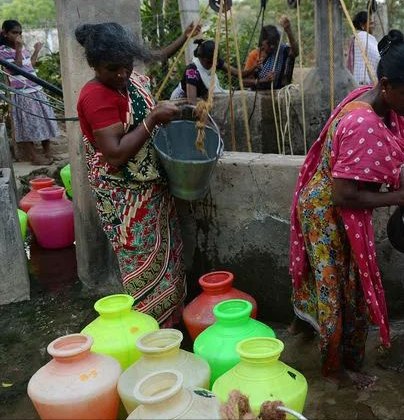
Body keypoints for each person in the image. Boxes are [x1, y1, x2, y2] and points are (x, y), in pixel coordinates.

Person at [288, 30, 404, 390]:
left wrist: (400, 178)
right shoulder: (362, 123)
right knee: (335, 292)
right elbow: (344, 195)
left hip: (331, 205)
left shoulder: (370, 101)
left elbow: (379, 156)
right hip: (327, 215)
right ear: (385, 84)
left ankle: (339, 352)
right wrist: (400, 197)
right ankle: (334, 369)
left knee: (347, 288)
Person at [74, 21, 199, 326]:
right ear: (94, 65)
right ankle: (150, 333)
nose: (121, 74)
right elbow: (115, 154)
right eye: (111, 68)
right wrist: (154, 118)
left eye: (126, 65)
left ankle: (172, 324)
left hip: (152, 191)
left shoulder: (130, 82)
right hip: (125, 200)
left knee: (168, 259)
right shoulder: (96, 97)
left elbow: (145, 105)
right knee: (142, 264)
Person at [0, 19, 60, 165]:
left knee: (45, 120)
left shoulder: (20, 47)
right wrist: (18, 49)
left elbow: (29, 65)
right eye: (14, 32)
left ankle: (47, 152)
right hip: (22, 93)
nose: (18, 35)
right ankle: (34, 157)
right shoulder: (3, 51)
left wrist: (36, 51)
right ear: (5, 34)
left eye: (20, 32)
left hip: (36, 88)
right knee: (26, 123)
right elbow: (16, 68)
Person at [170, 39, 252, 105]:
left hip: (200, 100)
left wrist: (254, 67)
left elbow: (238, 73)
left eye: (216, 61)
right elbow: (192, 101)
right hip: (182, 102)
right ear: (200, 58)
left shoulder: (212, 60)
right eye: (210, 62)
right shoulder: (192, 71)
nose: (215, 65)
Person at [243, 16, 299, 90]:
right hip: (259, 95)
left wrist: (288, 31)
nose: (272, 46)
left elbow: (295, 53)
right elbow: (244, 82)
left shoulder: (280, 50)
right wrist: (263, 80)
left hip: (278, 93)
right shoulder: (255, 55)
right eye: (269, 43)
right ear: (262, 42)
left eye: (274, 43)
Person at [346, 11, 380, 86]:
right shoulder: (363, 36)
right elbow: (377, 56)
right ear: (362, 25)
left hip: (358, 79)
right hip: (365, 79)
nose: (373, 26)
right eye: (371, 23)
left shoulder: (357, 36)